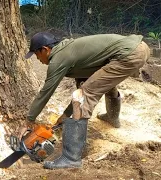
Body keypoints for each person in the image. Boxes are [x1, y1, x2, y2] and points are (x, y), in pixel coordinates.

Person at [23, 32, 150, 169]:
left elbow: (46, 92)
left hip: (129, 54)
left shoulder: (58, 59)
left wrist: (29, 120)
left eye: (37, 54)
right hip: (139, 48)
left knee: (86, 93)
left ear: (45, 50)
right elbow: (84, 82)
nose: (38, 59)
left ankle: (71, 158)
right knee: (101, 82)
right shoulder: (70, 51)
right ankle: (112, 117)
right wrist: (66, 115)